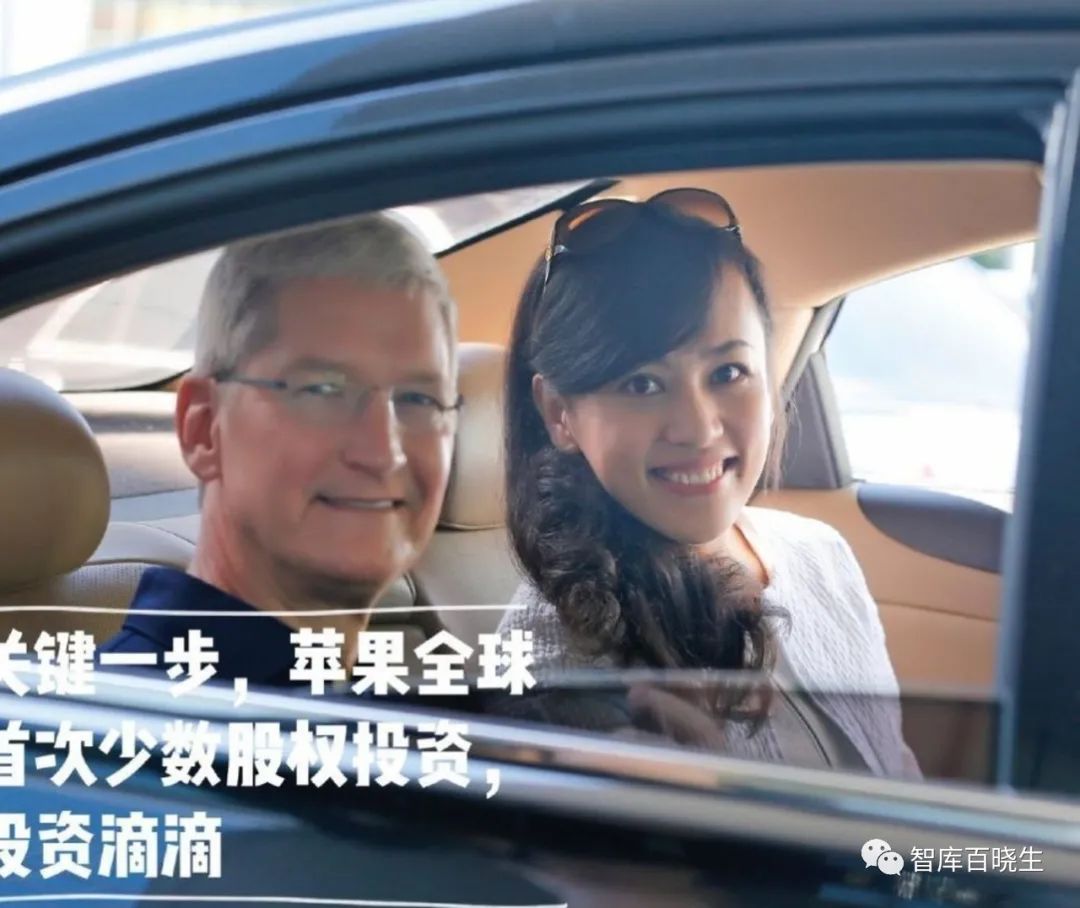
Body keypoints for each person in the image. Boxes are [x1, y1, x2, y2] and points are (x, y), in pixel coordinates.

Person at [498, 189, 919, 778]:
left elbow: (899, 771)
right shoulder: (550, 657)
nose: (698, 428)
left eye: (728, 372)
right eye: (642, 384)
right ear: (559, 414)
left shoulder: (822, 553)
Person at [101, 214, 461, 684]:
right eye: (322, 390)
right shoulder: (121, 720)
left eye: (418, 399)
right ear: (203, 427)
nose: (383, 451)